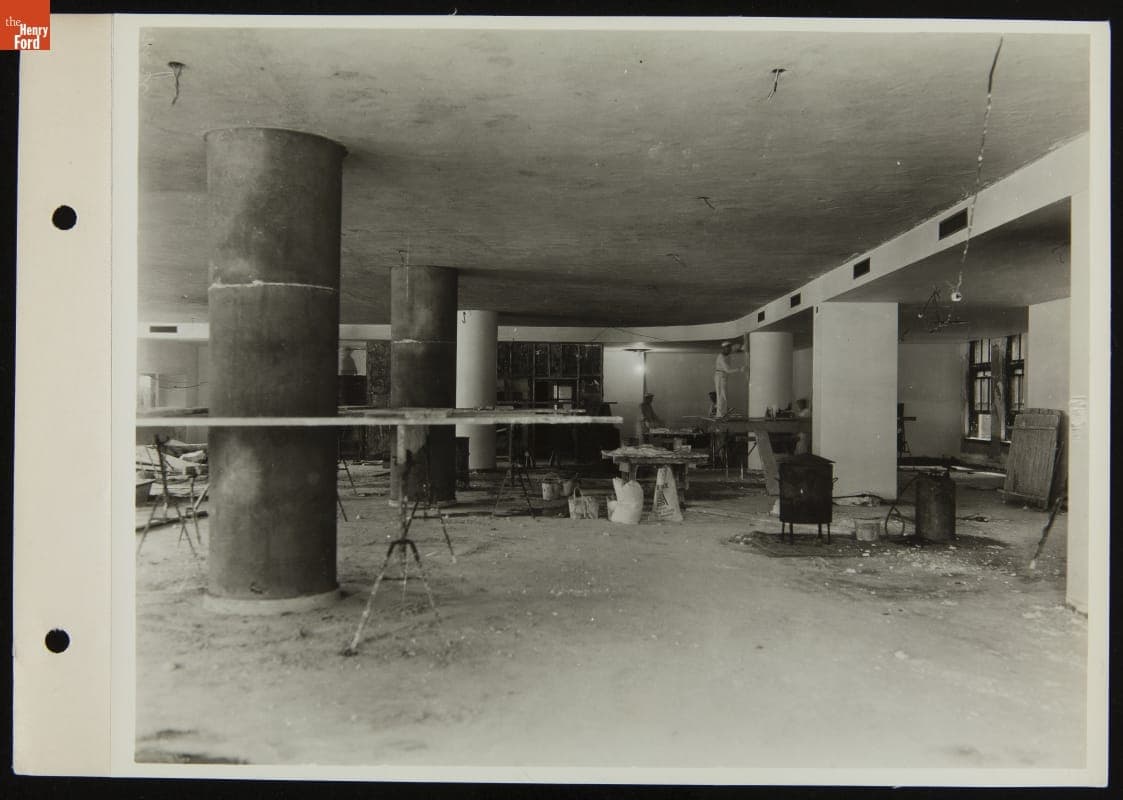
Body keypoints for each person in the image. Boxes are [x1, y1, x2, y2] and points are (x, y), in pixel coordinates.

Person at [713, 340, 744, 418]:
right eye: (727, 348)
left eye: (729, 349)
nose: (729, 350)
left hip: (723, 376)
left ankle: (723, 413)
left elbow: (735, 348)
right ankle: (720, 415)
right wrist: (739, 369)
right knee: (721, 395)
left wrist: (740, 347)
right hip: (720, 377)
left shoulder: (727, 354)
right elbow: (728, 370)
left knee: (724, 395)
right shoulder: (721, 357)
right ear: (723, 349)